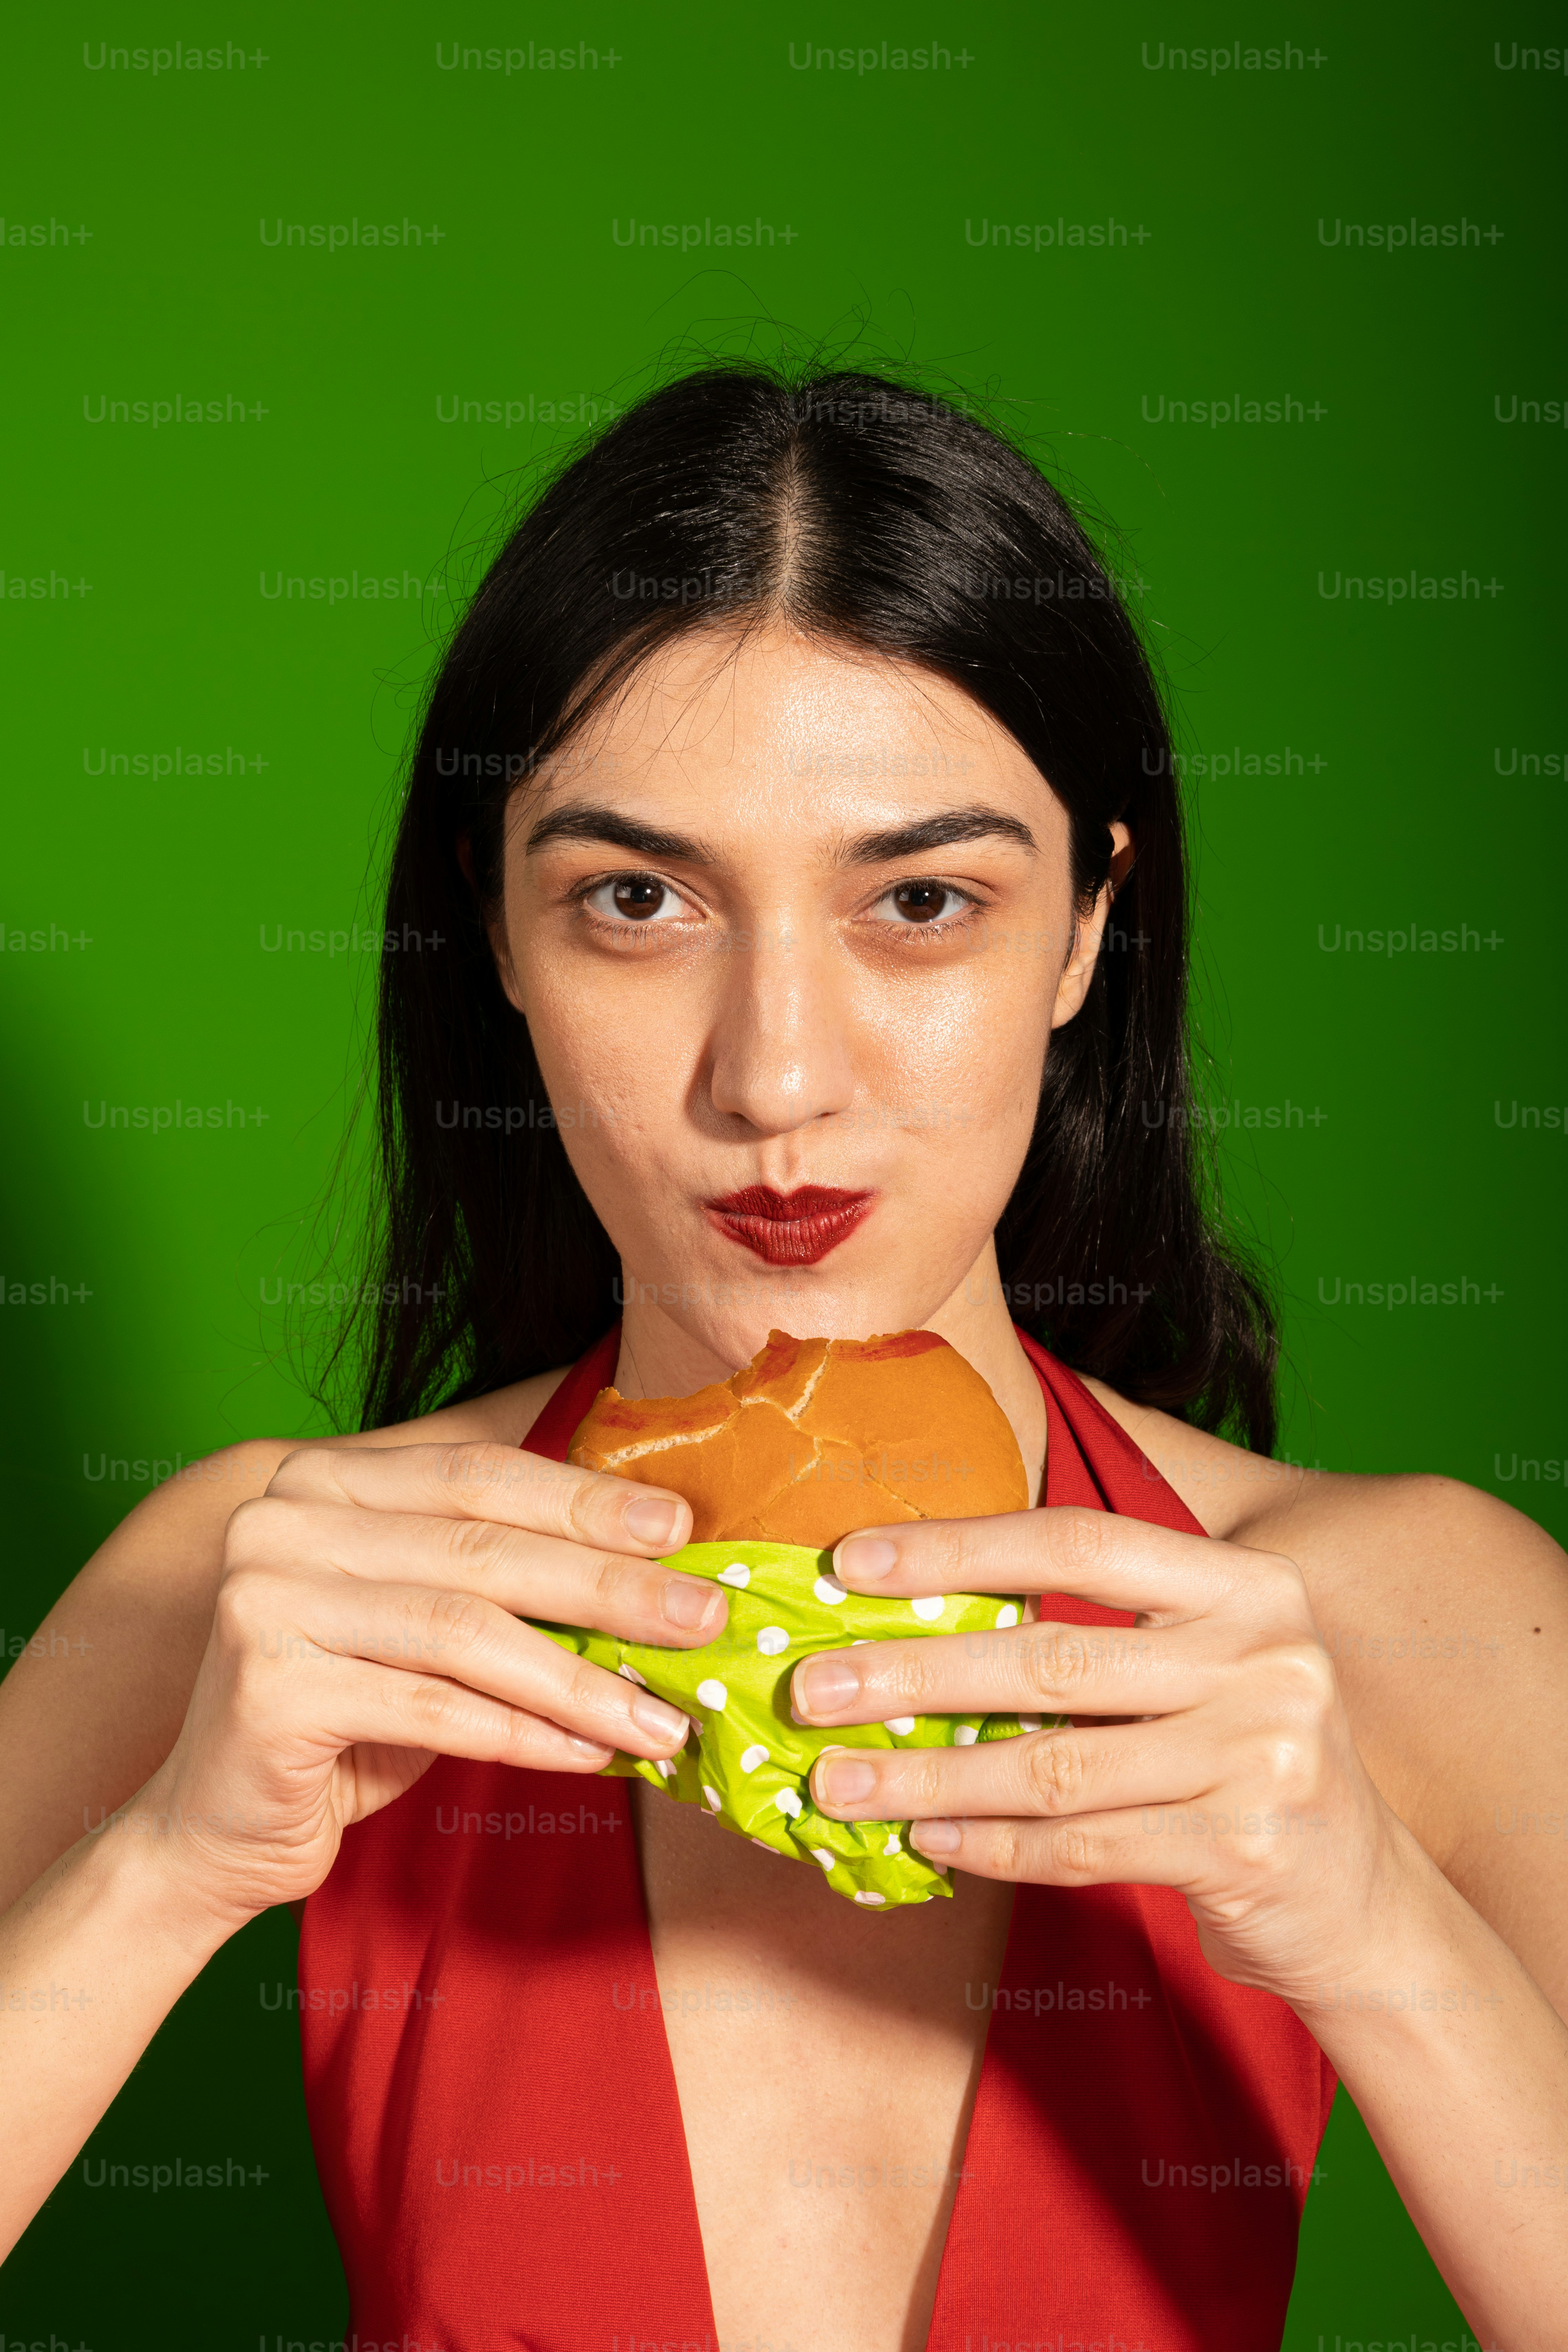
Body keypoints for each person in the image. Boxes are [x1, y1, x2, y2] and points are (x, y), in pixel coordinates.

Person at [0, 366, 1563, 2352]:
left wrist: (1375, 1929)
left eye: (921, 900)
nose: (781, 1079)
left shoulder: (1419, 1623)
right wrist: (163, 1868)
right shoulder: (275, 1584)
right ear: (496, 930)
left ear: (1088, 928)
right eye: (637, 901)